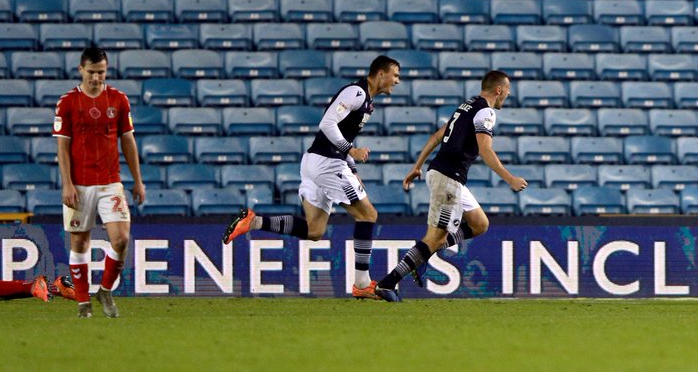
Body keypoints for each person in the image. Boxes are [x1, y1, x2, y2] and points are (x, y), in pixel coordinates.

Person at [222, 56, 401, 300]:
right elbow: (327, 123)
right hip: (327, 163)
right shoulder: (357, 93)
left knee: (314, 230)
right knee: (368, 215)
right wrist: (352, 151)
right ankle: (361, 283)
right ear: (381, 73)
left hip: (315, 162)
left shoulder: (367, 102)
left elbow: (339, 132)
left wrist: (353, 168)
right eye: (395, 75)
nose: (397, 81)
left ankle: (254, 222)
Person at [373, 70, 527, 302]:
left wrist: (418, 166)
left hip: (445, 174)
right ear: (499, 90)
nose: (508, 94)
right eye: (507, 89)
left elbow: (436, 136)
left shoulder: (466, 106)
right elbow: (485, 149)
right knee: (434, 238)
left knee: (479, 224)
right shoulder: (485, 112)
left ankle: (421, 257)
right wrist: (510, 178)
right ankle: (388, 283)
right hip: (448, 178)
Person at [53, 45, 144, 318]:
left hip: (109, 183)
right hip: (79, 184)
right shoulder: (67, 103)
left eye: (101, 72)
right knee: (79, 244)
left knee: (121, 238)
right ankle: (83, 302)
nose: (96, 78)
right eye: (92, 72)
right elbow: (63, 147)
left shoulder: (118, 100)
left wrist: (137, 181)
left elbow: (128, 141)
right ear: (81, 69)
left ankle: (105, 289)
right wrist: (67, 184)